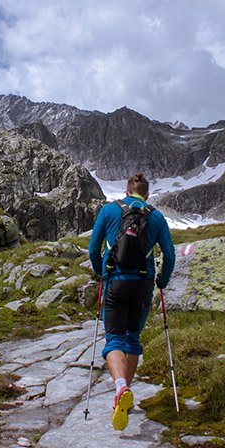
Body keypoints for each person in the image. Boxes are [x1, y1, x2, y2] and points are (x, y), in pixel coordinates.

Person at [88, 172, 175, 431]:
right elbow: (169, 255)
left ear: (126, 193)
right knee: (132, 339)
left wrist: (100, 269)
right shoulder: (156, 216)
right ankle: (124, 396)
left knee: (114, 338)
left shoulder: (109, 210)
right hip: (143, 283)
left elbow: (94, 248)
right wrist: (163, 280)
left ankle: (120, 388)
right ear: (146, 195)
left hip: (115, 280)